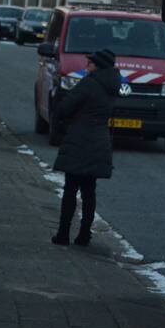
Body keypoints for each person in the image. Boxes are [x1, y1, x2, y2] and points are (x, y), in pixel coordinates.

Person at [51, 49, 120, 246]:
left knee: (71, 188)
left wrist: (59, 101)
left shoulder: (90, 83)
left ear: (99, 65)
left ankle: (63, 234)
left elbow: (65, 108)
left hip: (79, 140)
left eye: (90, 62)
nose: (87, 64)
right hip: (99, 140)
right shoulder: (111, 85)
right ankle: (83, 234)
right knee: (89, 190)